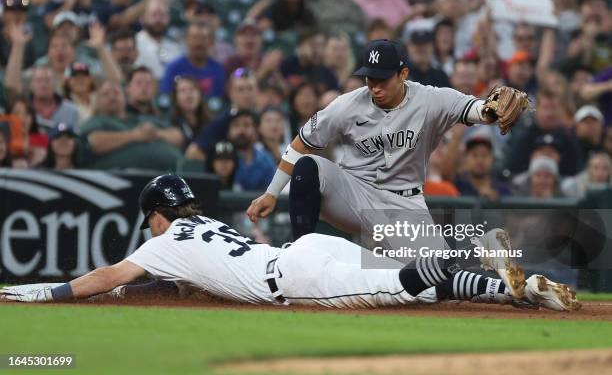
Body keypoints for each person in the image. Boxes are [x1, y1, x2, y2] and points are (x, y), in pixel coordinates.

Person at [0, 174, 579, 313]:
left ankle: (476, 256)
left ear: (155, 214)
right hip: (305, 250)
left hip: (295, 281)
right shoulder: (205, 226)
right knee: (409, 290)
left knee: (404, 282)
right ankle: (522, 291)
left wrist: (38, 293)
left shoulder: (161, 242)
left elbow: (103, 278)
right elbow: (178, 278)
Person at [246, 39, 531, 302]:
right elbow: (300, 144)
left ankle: (488, 262)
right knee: (309, 167)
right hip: (353, 193)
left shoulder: (431, 99)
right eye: (370, 78)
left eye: (382, 79)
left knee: (434, 282)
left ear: (403, 74)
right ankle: (299, 259)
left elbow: (476, 109)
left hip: (403, 204)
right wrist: (271, 193)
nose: (375, 87)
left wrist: (493, 110)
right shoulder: (348, 104)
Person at [78, 81, 182, 170]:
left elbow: (178, 136)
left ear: (125, 98)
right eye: (105, 94)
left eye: (116, 92)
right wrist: (135, 135)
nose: (112, 96)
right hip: (120, 180)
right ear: (97, 101)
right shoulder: (97, 121)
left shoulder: (143, 118)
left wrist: (156, 133)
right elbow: (93, 142)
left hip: (170, 176)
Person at [160, 23, 225, 98]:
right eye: (194, 38)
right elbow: (166, 98)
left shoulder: (218, 70)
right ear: (186, 40)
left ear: (211, 42)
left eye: (203, 38)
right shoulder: (173, 68)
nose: (199, 43)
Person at [134, 0, 183, 79]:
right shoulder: (134, 43)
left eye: (162, 15)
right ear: (142, 19)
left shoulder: (176, 47)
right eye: (154, 15)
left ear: (168, 18)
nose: (158, 20)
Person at [228, 110, 276, 191]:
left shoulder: (266, 160)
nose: (241, 130)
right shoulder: (221, 158)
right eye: (236, 125)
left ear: (256, 130)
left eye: (246, 125)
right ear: (228, 132)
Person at [171, 77, 211, 150]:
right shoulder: (169, 123)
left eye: (192, 90)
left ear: (200, 95)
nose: (189, 95)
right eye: (183, 91)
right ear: (176, 99)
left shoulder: (211, 123)